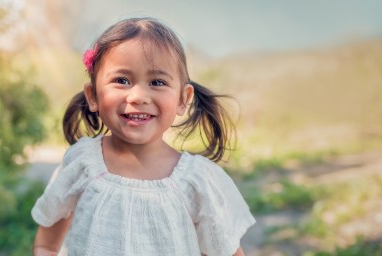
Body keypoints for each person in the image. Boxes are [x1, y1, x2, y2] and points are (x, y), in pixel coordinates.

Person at [31, 17, 255, 256]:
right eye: (121, 80)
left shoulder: (197, 181)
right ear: (93, 95)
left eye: (157, 82)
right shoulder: (81, 163)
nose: (138, 96)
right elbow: (46, 245)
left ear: (183, 99)